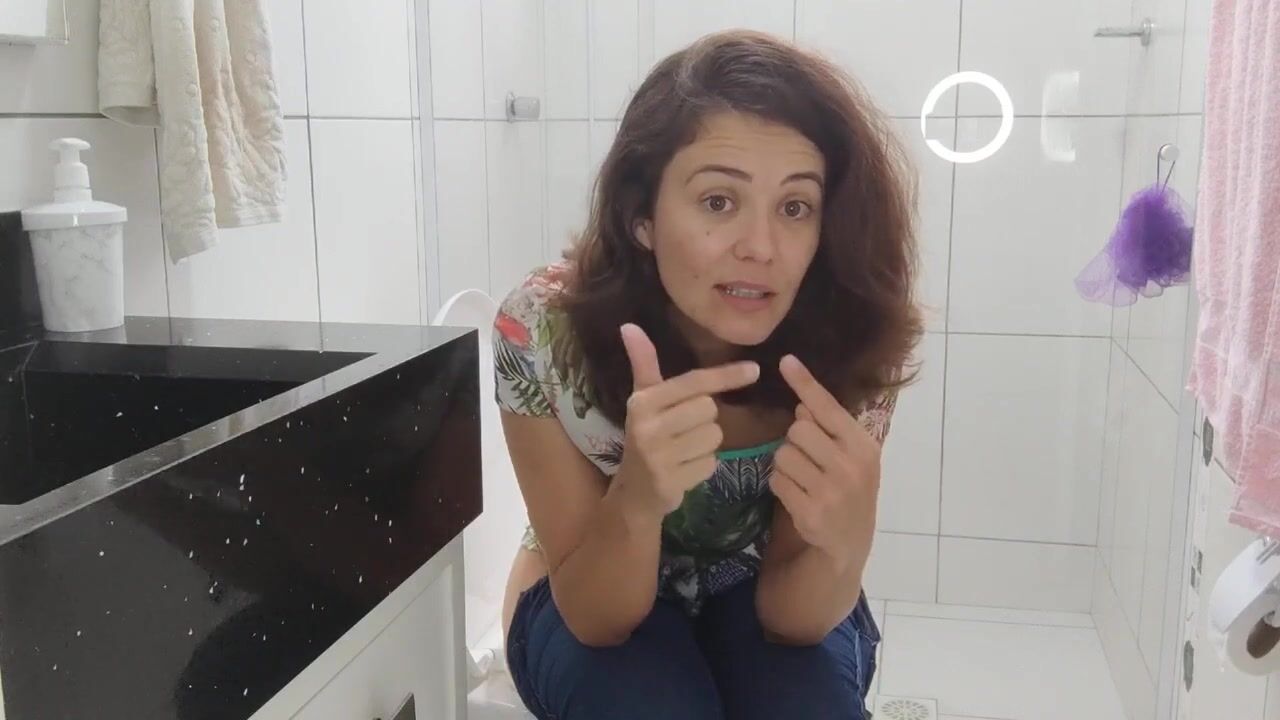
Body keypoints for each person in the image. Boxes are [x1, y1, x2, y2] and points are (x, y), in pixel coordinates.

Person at [492, 29, 921, 720]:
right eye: (719, 201)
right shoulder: (540, 331)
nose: (761, 248)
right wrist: (637, 498)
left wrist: (848, 541)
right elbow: (599, 621)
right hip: (583, 589)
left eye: (795, 207)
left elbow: (791, 619)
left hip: (764, 586)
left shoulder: (852, 342)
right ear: (641, 217)